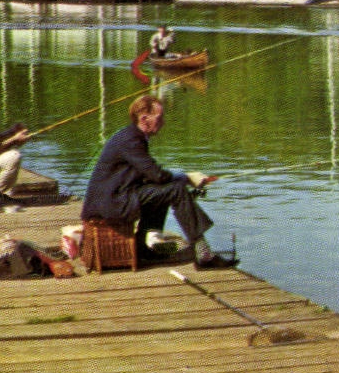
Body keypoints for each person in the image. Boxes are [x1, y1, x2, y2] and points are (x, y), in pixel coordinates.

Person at [82, 94, 236, 269]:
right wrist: (186, 178)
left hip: (115, 198)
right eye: (159, 118)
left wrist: (183, 178)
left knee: (165, 191)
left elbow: (150, 175)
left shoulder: (132, 136)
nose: (162, 122)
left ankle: (143, 251)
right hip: (111, 203)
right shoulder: (131, 140)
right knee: (175, 189)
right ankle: (204, 254)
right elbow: (157, 175)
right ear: (144, 118)